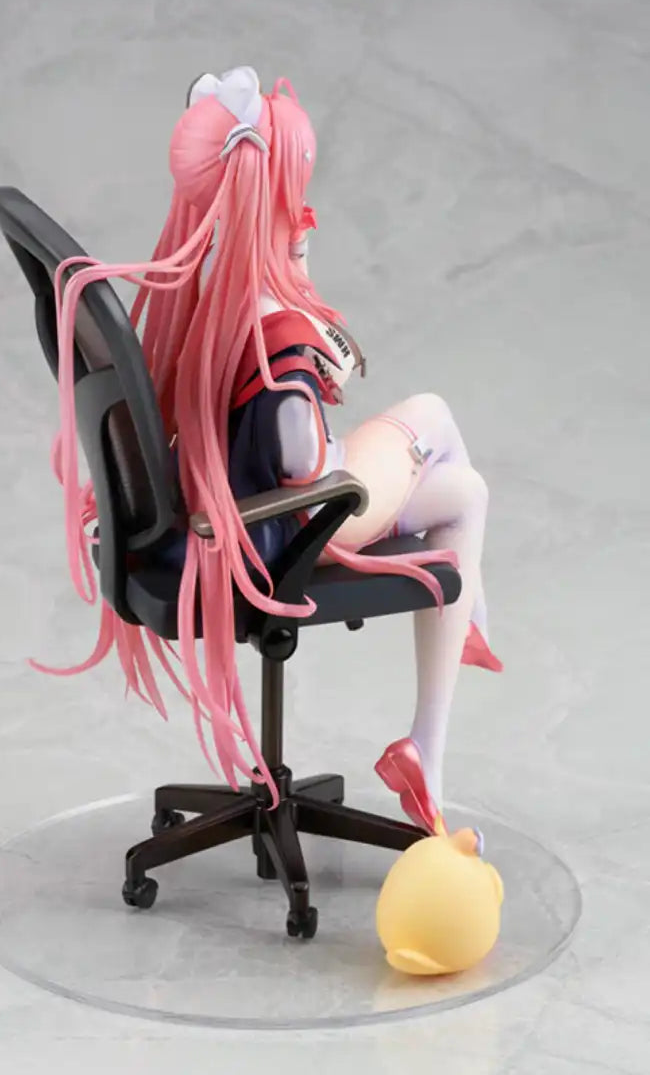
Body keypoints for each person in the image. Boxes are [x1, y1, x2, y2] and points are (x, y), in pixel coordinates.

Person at [39, 66, 502, 834]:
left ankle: (437, 719)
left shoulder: (215, 291)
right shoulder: (275, 336)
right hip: (298, 516)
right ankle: (446, 693)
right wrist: (315, 366)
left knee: (469, 494)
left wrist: (298, 288)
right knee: (438, 425)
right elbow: (303, 464)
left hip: (235, 504)